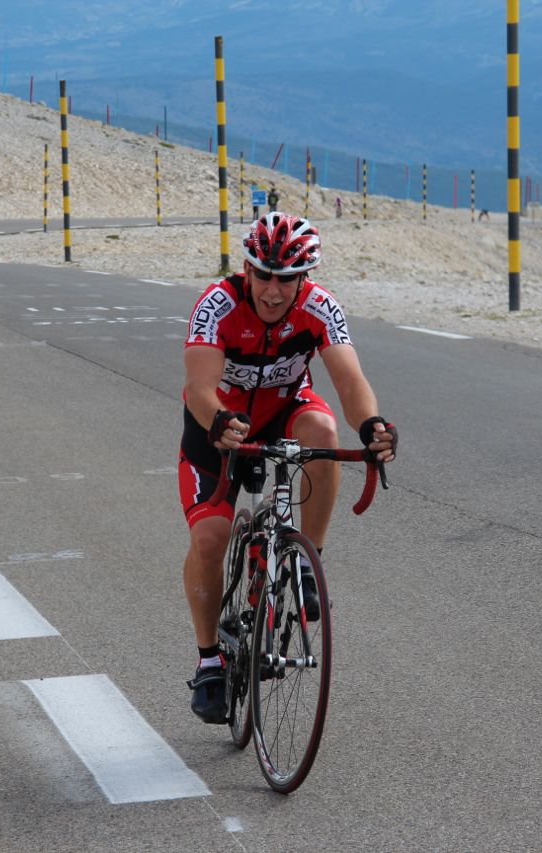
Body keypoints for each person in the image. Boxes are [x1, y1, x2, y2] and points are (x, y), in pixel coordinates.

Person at [178, 211, 398, 724]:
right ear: (247, 269)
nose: (273, 291)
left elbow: (349, 380)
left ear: (305, 278)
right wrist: (218, 420)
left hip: (283, 411)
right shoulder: (218, 303)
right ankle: (209, 661)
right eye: (264, 275)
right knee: (210, 539)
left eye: (287, 279)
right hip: (217, 423)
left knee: (323, 431)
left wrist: (371, 425)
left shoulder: (320, 306)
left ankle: (305, 559)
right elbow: (199, 386)